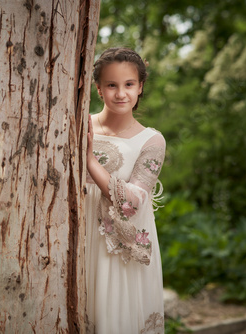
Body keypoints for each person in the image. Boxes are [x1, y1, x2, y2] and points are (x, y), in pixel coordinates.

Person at [85, 47, 166, 333]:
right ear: (98, 88)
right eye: (111, 85)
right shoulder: (78, 124)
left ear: (140, 86)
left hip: (117, 248)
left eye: (129, 84)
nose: (121, 93)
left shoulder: (151, 141)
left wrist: (89, 160)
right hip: (76, 236)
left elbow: (132, 202)